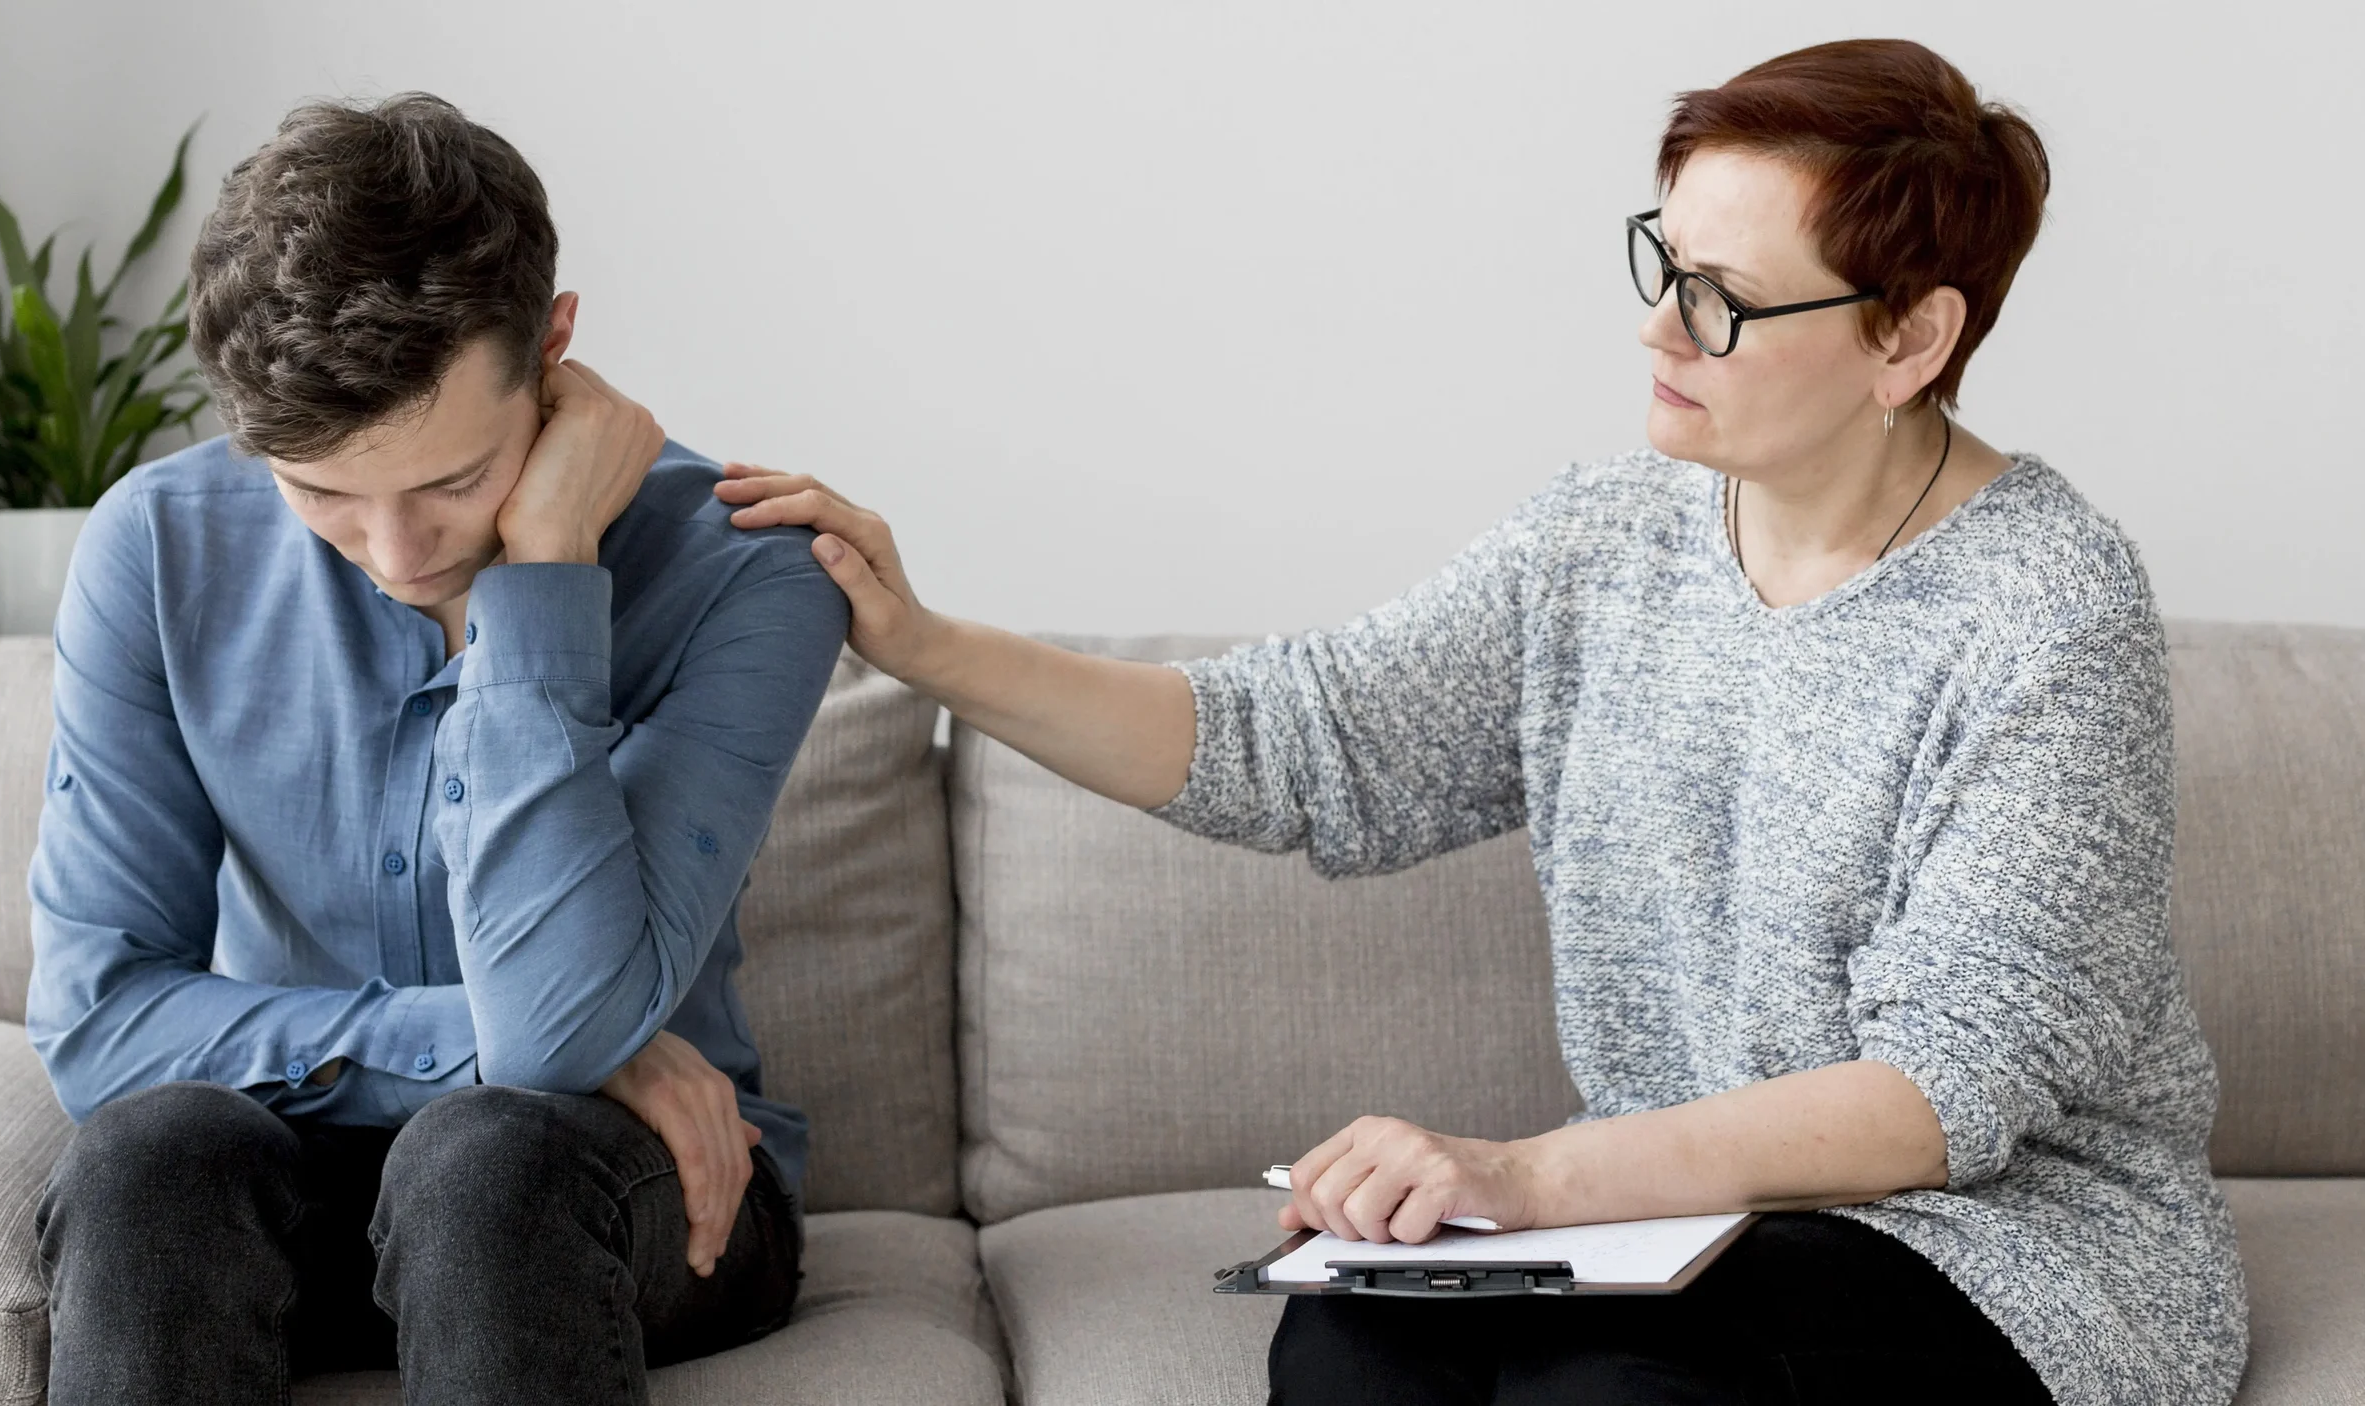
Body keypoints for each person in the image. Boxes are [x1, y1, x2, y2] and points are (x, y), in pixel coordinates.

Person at [716, 38, 2247, 1406]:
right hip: (1679, 1219)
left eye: (1723, 301)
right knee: (1353, 1338)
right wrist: (920, 642)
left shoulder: (2047, 607)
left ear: (1910, 341)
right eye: (1663, 262)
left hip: (2003, 1242)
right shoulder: (1604, 545)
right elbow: (1293, 742)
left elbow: (1942, 1096)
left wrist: (1522, 1175)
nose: (1660, 328)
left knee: (1617, 1378)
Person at [25, 94, 848, 1405]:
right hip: (293, 1171)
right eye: (324, 496)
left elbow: (557, 1029)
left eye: (453, 481)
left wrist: (545, 571)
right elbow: (99, 1018)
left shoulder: (750, 572)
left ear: (555, 345)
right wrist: (465, 1035)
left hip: (625, 1182)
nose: (400, 557)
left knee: (483, 1161)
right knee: (150, 1160)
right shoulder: (156, 548)